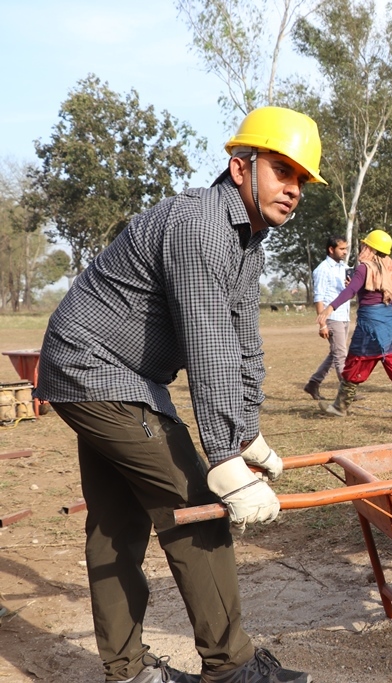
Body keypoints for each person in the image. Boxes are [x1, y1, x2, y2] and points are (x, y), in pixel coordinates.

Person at [34, 107, 318, 683]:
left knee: (117, 523)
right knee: (195, 506)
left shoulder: (247, 241)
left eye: (301, 181)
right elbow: (209, 348)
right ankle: (231, 669)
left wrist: (246, 432)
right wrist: (225, 462)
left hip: (109, 374)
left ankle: (129, 674)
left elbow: (244, 344)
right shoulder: (201, 228)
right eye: (282, 171)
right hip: (97, 371)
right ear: (240, 167)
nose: (292, 189)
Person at [316, 229, 392, 420]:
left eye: (365, 245)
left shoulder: (364, 268)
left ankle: (340, 406)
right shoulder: (390, 267)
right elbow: (390, 299)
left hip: (369, 324)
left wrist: (329, 309)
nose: (362, 247)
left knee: (356, 361)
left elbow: (349, 291)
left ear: (371, 248)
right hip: (389, 321)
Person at [304, 235, 350, 401]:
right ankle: (346, 392)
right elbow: (319, 297)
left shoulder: (342, 267)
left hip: (344, 315)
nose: (345, 252)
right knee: (341, 355)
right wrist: (322, 324)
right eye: (342, 249)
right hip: (332, 317)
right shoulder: (322, 269)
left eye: (346, 248)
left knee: (335, 353)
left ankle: (313, 383)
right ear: (331, 249)